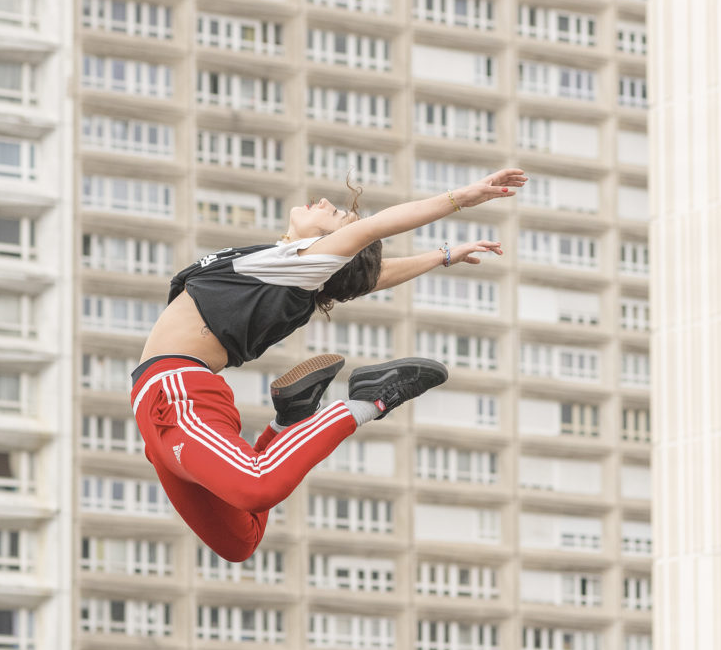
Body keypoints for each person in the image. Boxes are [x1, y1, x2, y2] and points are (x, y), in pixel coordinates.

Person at [131, 168, 528, 561]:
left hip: (176, 395)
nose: (323, 202)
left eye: (336, 214)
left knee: (256, 487)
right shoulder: (289, 269)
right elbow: (365, 278)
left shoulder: (292, 262)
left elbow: (373, 231)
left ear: (332, 244)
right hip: (165, 407)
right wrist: (441, 255)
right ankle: (290, 421)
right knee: (240, 540)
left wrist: (460, 197)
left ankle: (367, 402)